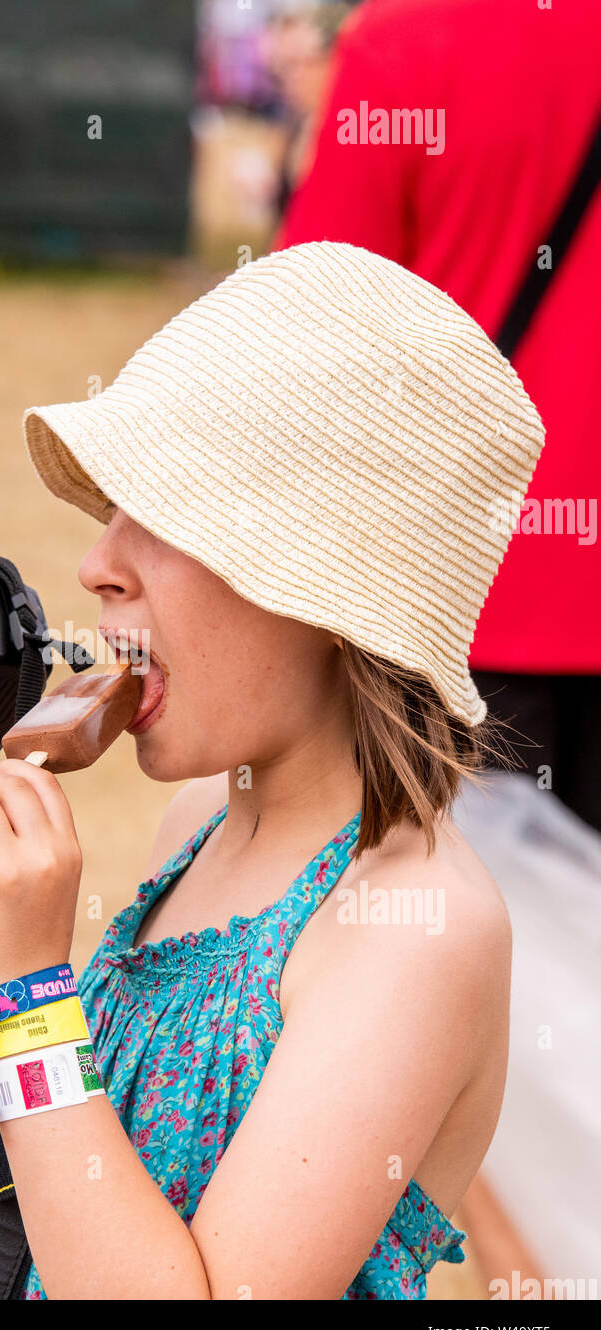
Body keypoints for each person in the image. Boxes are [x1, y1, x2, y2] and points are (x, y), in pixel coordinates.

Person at [0, 240, 546, 1299]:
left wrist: (28, 997)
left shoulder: (413, 925)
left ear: (322, 590)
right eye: (110, 515)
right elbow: (21, 1207)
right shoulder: (200, 821)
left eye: (166, 518)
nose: (97, 564)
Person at [272, 0, 601, 835]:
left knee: (454, 942)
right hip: (481, 596)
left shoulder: (407, 39)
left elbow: (316, 318)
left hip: (456, 587)